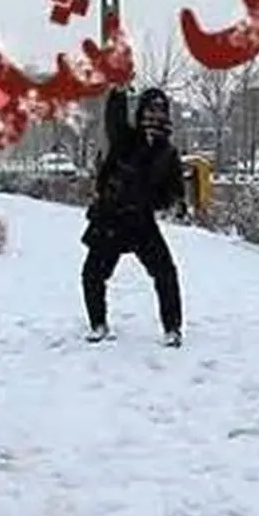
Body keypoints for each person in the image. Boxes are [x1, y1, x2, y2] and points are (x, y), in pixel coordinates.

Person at [80, 86, 186, 345]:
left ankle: (172, 329)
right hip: (111, 219)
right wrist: (118, 89)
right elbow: (114, 118)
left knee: (165, 273)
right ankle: (98, 324)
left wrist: (174, 203)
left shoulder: (168, 152)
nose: (155, 116)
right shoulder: (125, 138)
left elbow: (174, 189)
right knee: (92, 274)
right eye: (150, 110)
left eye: (160, 111)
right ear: (140, 112)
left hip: (141, 222)